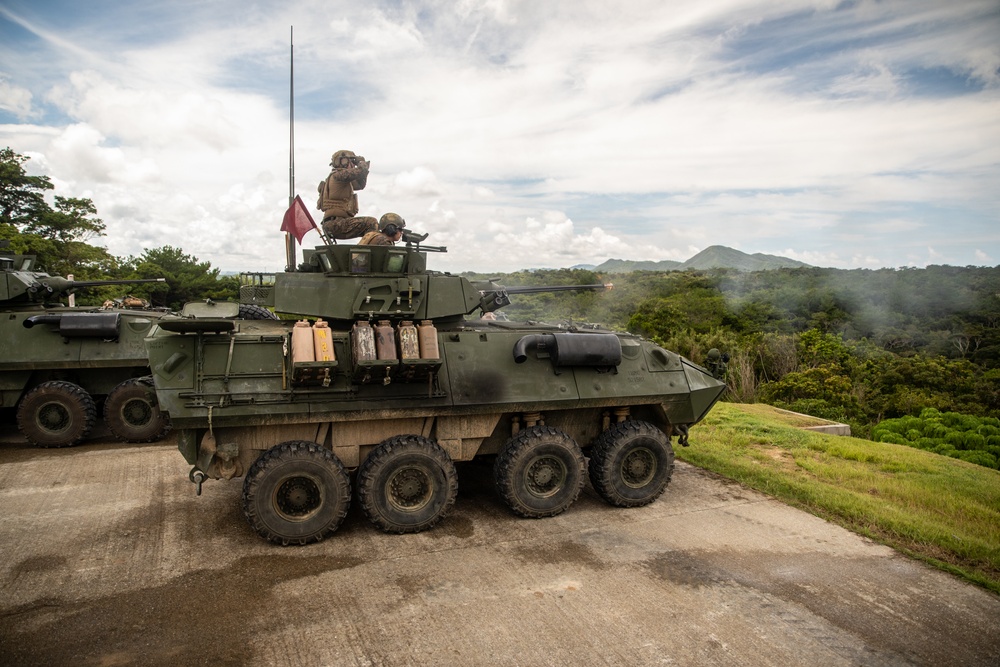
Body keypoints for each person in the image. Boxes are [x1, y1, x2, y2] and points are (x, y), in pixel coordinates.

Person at [317, 150, 378, 240]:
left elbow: (360, 185)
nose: (353, 165)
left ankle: (366, 248)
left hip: (335, 223)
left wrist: (362, 168)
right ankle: (365, 252)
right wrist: (361, 162)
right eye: (350, 162)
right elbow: (360, 172)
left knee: (372, 230)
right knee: (371, 223)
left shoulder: (341, 179)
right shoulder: (338, 175)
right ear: (342, 162)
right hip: (337, 223)